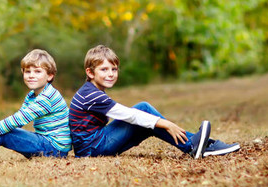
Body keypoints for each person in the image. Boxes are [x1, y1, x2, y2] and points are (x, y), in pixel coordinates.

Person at [69, 44, 240, 158]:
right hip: (91, 149)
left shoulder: (91, 91)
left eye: (114, 69)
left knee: (147, 120)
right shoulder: (92, 95)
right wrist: (166, 124)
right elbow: (129, 115)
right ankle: (194, 146)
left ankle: (199, 145)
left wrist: (158, 123)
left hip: (93, 145)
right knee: (143, 110)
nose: (111, 74)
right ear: (90, 73)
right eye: (104, 69)